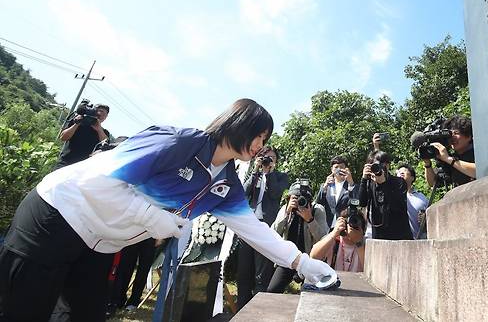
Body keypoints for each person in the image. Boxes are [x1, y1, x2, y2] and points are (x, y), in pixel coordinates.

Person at [0, 98, 334, 322]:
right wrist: (152, 218)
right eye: (259, 135)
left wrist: (302, 263)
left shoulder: (227, 184)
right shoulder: (176, 142)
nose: (261, 145)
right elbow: (96, 182)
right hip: (55, 215)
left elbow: (254, 229)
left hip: (99, 242)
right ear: (239, 124)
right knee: (22, 309)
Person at [237, 146, 289, 309]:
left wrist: (270, 173)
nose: (268, 159)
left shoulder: (281, 176)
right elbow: (243, 193)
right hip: (248, 226)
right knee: (244, 272)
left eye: (271, 157)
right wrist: (256, 171)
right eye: (264, 157)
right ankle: (241, 312)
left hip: (267, 228)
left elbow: (275, 193)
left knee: (262, 274)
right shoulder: (254, 174)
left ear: (277, 160)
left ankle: (258, 313)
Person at [267, 180, 328, 293]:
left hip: (311, 260)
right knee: (272, 290)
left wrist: (310, 219)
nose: (300, 201)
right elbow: (272, 233)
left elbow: (324, 239)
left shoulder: (317, 210)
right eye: (296, 198)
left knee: (310, 294)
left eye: (303, 199)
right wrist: (286, 213)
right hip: (288, 258)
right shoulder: (286, 209)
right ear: (289, 198)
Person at [358, 150, 412, 240]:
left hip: (400, 235)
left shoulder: (399, 182)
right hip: (379, 235)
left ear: (387, 165)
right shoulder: (370, 183)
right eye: (374, 166)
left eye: (380, 165)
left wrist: (383, 184)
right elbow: (362, 202)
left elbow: (397, 206)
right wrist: (364, 179)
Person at [423, 115, 476, 189]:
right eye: (450, 134)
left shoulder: (478, 152)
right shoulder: (452, 158)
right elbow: (433, 182)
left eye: (456, 133)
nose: (452, 137)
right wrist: (427, 163)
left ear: (469, 136)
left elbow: (478, 171)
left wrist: (448, 159)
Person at [54, 102, 110, 169]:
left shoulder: (104, 132)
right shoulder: (79, 122)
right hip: (65, 162)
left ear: (106, 117)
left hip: (82, 168)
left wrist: (99, 129)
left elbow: (105, 145)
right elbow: (63, 137)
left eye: (104, 113)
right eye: (99, 111)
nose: (100, 114)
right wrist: (77, 124)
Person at [310, 208, 366, 272]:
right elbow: (313, 256)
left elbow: (371, 270)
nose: (351, 227)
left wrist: (359, 242)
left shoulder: (366, 246)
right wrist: (334, 233)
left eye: (355, 223)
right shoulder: (334, 241)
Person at [315, 156, 356, 229]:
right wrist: (324, 187)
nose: (339, 169)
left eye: (341, 167)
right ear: (332, 170)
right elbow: (318, 205)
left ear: (346, 169)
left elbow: (356, 203)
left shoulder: (351, 185)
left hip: (344, 227)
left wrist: (351, 183)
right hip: (327, 226)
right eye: (336, 167)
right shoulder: (326, 186)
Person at [396, 164, 429, 239]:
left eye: (404, 171)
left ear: (412, 177)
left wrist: (426, 218)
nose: (401, 173)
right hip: (399, 243)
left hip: (420, 241)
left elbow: (432, 219)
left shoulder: (421, 198)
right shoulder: (392, 195)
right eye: (399, 172)